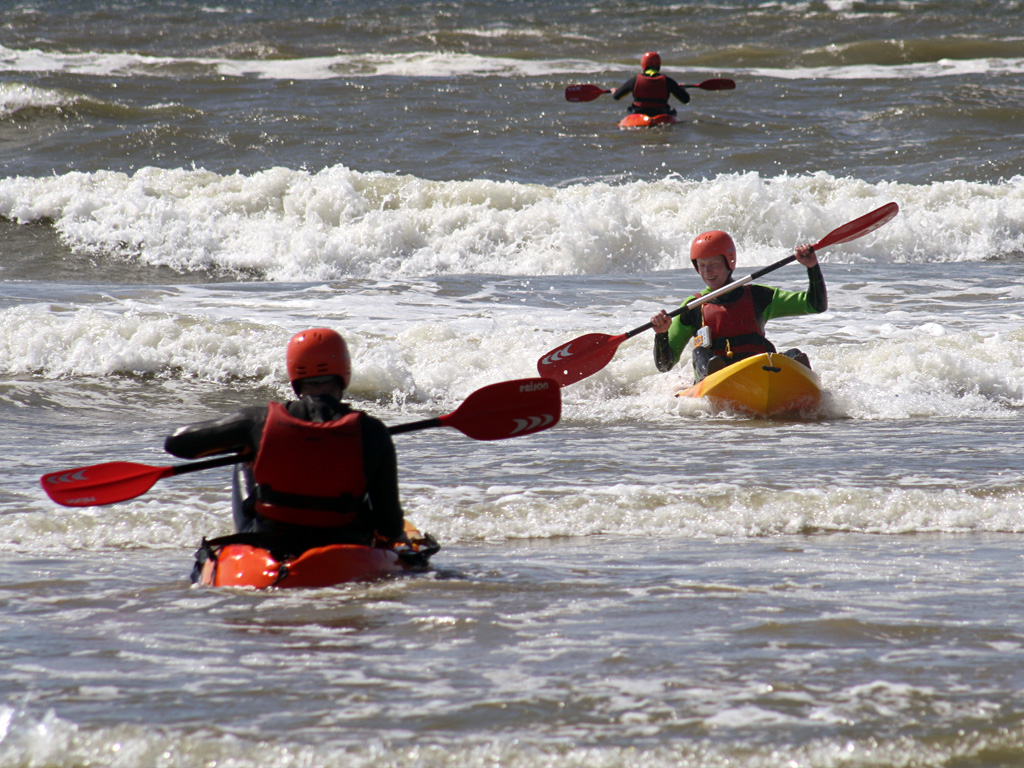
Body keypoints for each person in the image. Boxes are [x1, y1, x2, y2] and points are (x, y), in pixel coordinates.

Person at [165, 328, 405, 553]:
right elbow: (390, 527)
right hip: (346, 544)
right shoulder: (373, 431)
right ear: (344, 371)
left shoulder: (258, 422)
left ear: (294, 373)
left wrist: (250, 446)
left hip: (272, 544)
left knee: (245, 452)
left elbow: (176, 443)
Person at [651, 231, 826, 382]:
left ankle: (799, 383)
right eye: (702, 266)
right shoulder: (693, 307)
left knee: (794, 355)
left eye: (713, 264)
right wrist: (661, 334)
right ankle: (714, 375)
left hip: (758, 374)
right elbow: (664, 365)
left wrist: (812, 268)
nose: (707, 272)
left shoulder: (758, 296)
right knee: (700, 353)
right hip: (716, 380)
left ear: (730, 262)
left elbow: (815, 305)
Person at [612, 51, 690, 117]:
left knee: (629, 110)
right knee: (673, 112)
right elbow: (685, 100)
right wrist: (682, 89)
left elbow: (616, 96)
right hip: (661, 114)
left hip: (638, 114)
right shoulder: (667, 81)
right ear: (659, 65)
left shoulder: (635, 80)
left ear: (643, 64)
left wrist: (614, 91)